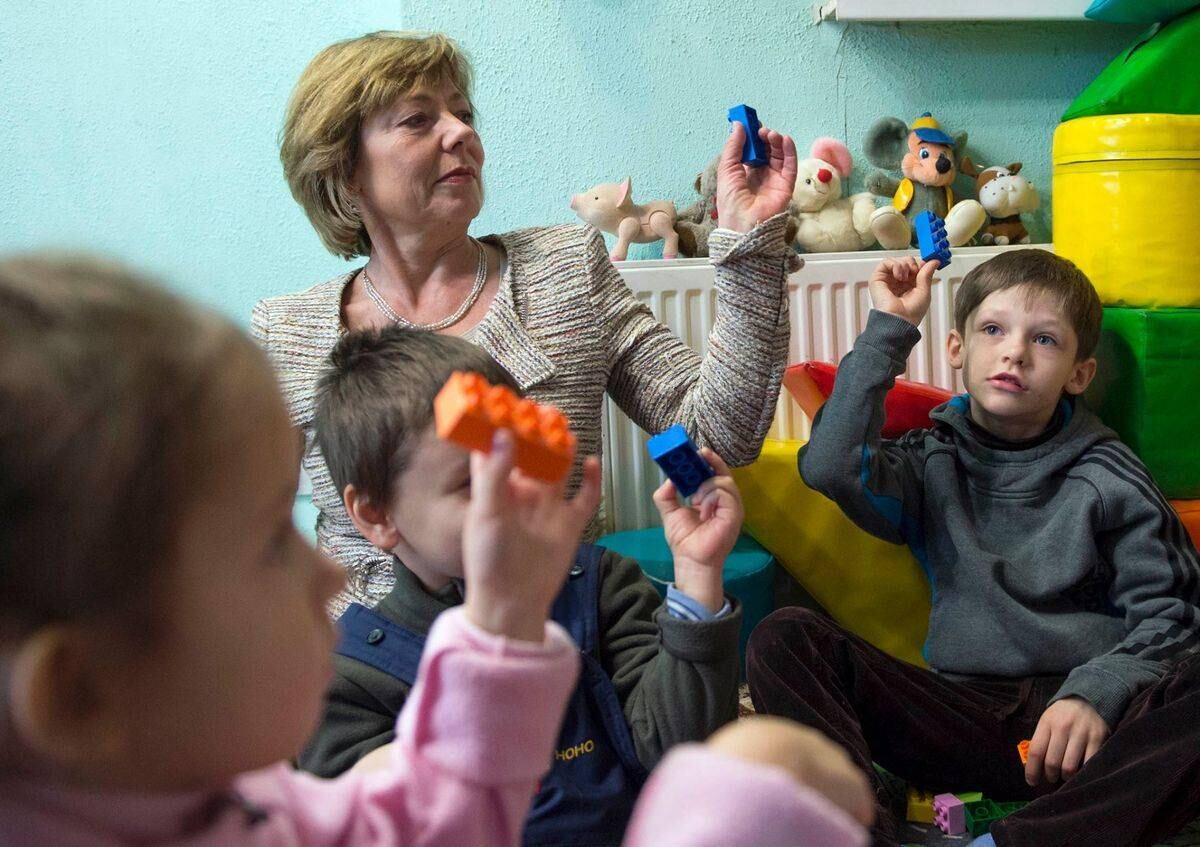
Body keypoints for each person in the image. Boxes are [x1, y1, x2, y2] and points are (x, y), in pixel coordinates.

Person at [0, 253, 591, 846]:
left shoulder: (255, 799)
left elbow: (433, 824)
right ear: (84, 696)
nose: (332, 573)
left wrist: (503, 622)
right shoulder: (344, 698)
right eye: (273, 542)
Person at [256, 30, 801, 613]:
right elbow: (251, 536)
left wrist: (747, 245)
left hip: (556, 631)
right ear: (345, 170)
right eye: (417, 119)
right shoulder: (287, 332)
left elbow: (720, 435)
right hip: (368, 654)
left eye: (464, 114)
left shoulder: (566, 268)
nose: (462, 132)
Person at [747, 250, 1200, 846]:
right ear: (957, 348)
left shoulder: (1111, 475)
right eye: (993, 330)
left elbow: (1177, 616)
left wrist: (1097, 691)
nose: (1015, 352)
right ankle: (862, 834)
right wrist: (890, 328)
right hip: (966, 716)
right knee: (785, 638)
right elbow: (831, 466)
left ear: (1079, 374)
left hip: (1092, 732)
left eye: (1044, 339)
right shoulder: (929, 458)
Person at [299, 327, 745, 844]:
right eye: (474, 482)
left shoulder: (601, 585)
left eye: (522, 463)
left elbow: (682, 753)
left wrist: (697, 575)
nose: (514, 496)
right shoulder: (349, 681)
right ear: (376, 515)